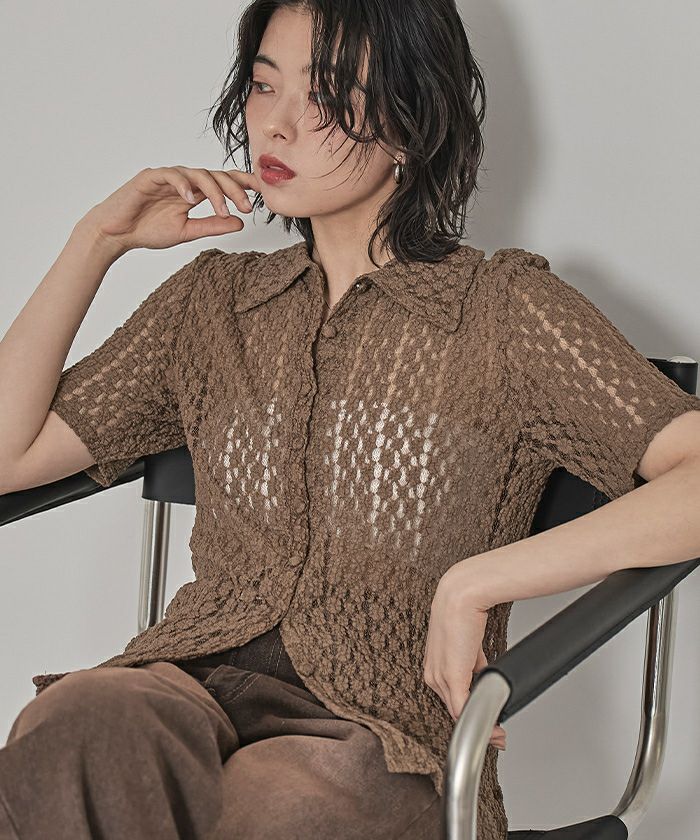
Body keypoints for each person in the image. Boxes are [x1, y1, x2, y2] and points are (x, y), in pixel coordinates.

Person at [1, 1, 699, 839]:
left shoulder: (505, 312)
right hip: (185, 686)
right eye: (265, 86)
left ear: (409, 120)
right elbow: (9, 457)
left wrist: (477, 582)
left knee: (277, 809)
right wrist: (97, 241)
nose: (278, 123)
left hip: (381, 734)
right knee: (74, 724)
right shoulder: (213, 302)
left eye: (327, 97)